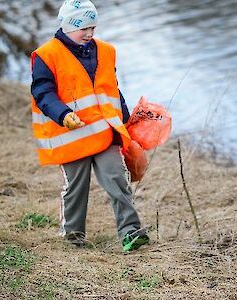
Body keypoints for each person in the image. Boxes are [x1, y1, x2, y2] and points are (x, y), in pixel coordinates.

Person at [30, 0, 149, 251]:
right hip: (70, 136)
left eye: (93, 27)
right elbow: (43, 93)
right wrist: (63, 115)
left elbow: (112, 91)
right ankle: (73, 238)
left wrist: (127, 124)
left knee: (117, 177)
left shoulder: (105, 50)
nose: (89, 33)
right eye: (82, 27)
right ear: (66, 25)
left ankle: (131, 232)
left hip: (104, 132)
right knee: (75, 187)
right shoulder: (47, 55)